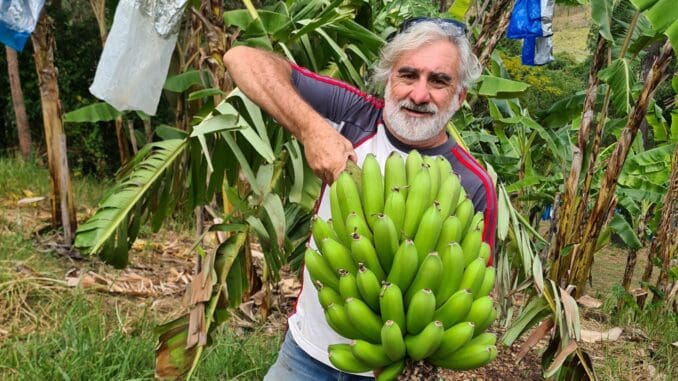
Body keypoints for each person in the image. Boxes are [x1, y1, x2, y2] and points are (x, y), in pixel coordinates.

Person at [223, 17, 497, 381]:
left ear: (459, 97)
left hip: (396, 371)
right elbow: (242, 58)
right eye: (408, 75)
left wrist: (413, 350)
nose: (418, 94)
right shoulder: (351, 116)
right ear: (388, 79)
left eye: (439, 81)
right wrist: (313, 129)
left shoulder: (471, 184)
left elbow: (468, 295)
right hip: (305, 356)